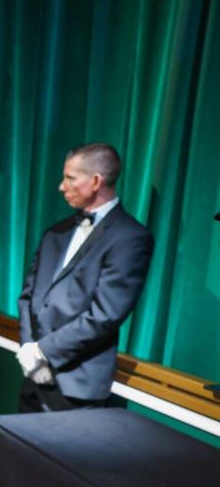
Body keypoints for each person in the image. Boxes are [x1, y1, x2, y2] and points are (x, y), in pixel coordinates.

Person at [16, 143, 153, 412]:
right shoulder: (55, 233)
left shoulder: (131, 238)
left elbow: (104, 315)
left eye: (70, 178)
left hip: (77, 386)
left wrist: (43, 352)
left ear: (95, 181)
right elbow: (28, 297)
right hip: (32, 377)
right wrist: (29, 351)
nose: (61, 186)